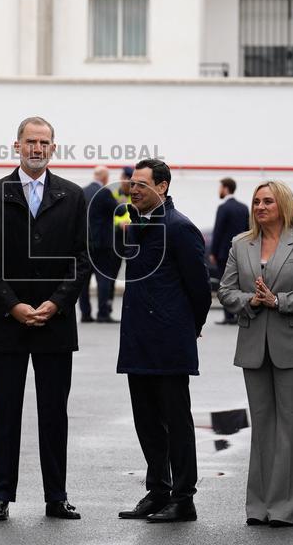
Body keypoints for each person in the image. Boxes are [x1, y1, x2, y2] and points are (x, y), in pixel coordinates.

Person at [0, 116, 91, 522]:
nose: (37, 148)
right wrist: (13, 305)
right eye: (30, 142)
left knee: (54, 414)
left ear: (53, 148)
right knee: (5, 413)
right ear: (16, 146)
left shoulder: (74, 197)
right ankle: (1, 495)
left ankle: (56, 496)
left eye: (45, 142)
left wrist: (56, 303)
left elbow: (82, 259)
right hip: (7, 323)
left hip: (55, 325)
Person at [218, 180, 293, 528]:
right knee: (262, 427)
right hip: (253, 346)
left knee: (290, 428)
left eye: (267, 201)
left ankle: (284, 508)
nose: (260, 207)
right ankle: (258, 505)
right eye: (256, 201)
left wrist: (278, 301)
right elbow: (225, 290)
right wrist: (249, 301)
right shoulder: (240, 243)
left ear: (283, 205)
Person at [116, 159, 211, 523]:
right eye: (132, 184)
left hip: (169, 343)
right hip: (138, 342)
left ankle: (183, 498)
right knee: (147, 422)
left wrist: (190, 326)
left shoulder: (179, 227)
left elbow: (199, 289)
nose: (134, 190)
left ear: (163, 186)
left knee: (176, 423)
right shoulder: (135, 225)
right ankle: (157, 492)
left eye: (142, 184)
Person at [79, 166, 119, 323]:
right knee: (104, 279)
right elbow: (119, 211)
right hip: (102, 244)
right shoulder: (104, 192)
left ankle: (85, 314)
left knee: (84, 281)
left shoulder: (82, 192)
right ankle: (103, 313)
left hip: (85, 243)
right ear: (104, 177)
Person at [210, 177, 249, 325]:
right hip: (241, 252)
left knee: (225, 284)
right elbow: (248, 230)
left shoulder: (223, 208)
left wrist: (213, 252)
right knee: (240, 283)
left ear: (226, 188)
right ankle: (239, 314)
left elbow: (218, 231)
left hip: (224, 253)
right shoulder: (243, 207)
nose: (219, 191)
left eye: (220, 187)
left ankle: (228, 316)